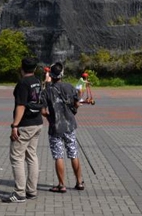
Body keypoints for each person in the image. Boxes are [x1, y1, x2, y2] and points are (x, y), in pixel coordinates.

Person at [2, 57, 44, 203]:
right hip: (37, 122)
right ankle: (32, 190)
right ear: (35, 68)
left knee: (17, 157)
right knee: (32, 156)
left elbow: (21, 105)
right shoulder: (37, 81)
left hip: (25, 124)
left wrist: (15, 125)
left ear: (21, 68)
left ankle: (20, 192)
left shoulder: (23, 83)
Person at [40, 62, 84, 193]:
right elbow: (77, 103)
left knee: (58, 156)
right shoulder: (70, 87)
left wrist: (49, 118)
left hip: (55, 127)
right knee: (73, 153)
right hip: (70, 125)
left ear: (50, 75)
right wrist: (73, 111)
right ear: (62, 74)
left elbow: (43, 111)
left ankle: (61, 184)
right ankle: (79, 182)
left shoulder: (46, 91)